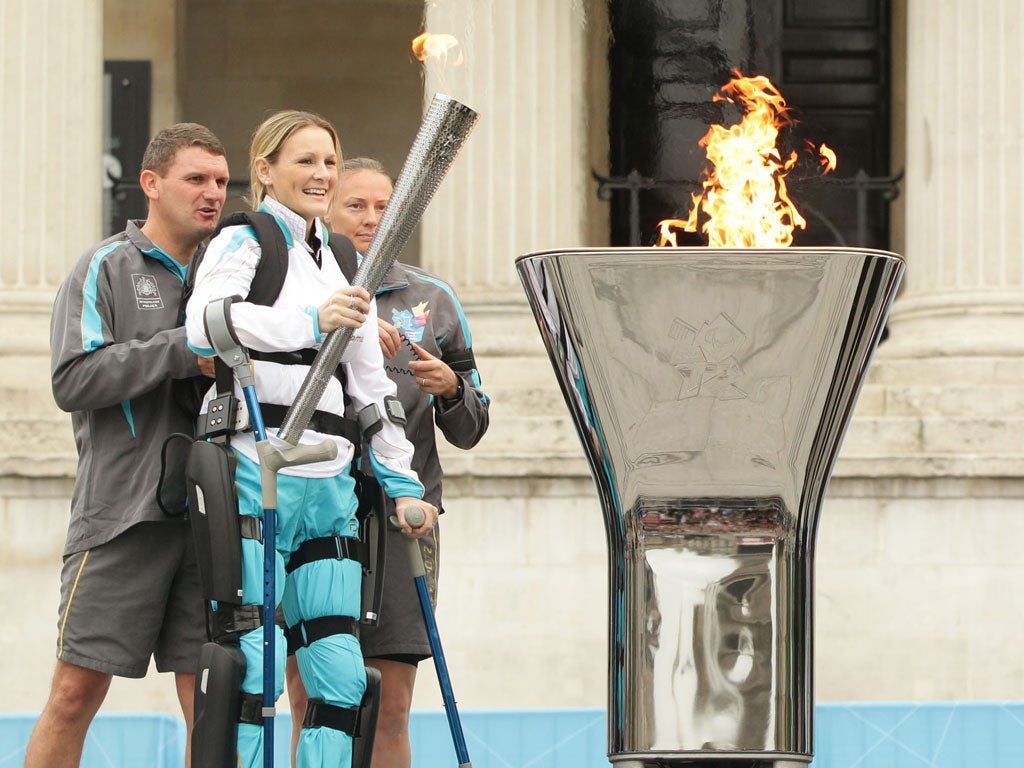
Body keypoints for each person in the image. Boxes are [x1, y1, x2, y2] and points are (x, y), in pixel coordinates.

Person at [184, 112, 437, 768]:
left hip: (329, 487)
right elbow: (206, 323)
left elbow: (372, 386)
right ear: (265, 169)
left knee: (341, 678)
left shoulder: (347, 257)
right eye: (305, 161)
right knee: (254, 670)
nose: (321, 174)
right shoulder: (246, 239)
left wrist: (403, 483)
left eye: (329, 160)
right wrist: (306, 320)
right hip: (253, 468)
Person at [27, 123, 229, 768]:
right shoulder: (104, 266)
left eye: (222, 183)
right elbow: (72, 379)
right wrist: (182, 351)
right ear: (151, 184)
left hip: (213, 516)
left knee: (211, 697)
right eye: (196, 179)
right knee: (74, 692)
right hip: (122, 514)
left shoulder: (229, 274)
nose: (212, 194)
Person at [286, 157, 490, 768]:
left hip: (403, 518)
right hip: (318, 511)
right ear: (328, 208)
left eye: (385, 206)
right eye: (357, 205)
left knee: (391, 705)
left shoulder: (431, 298)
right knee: (313, 699)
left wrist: (452, 388)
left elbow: (473, 425)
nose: (372, 219)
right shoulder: (301, 292)